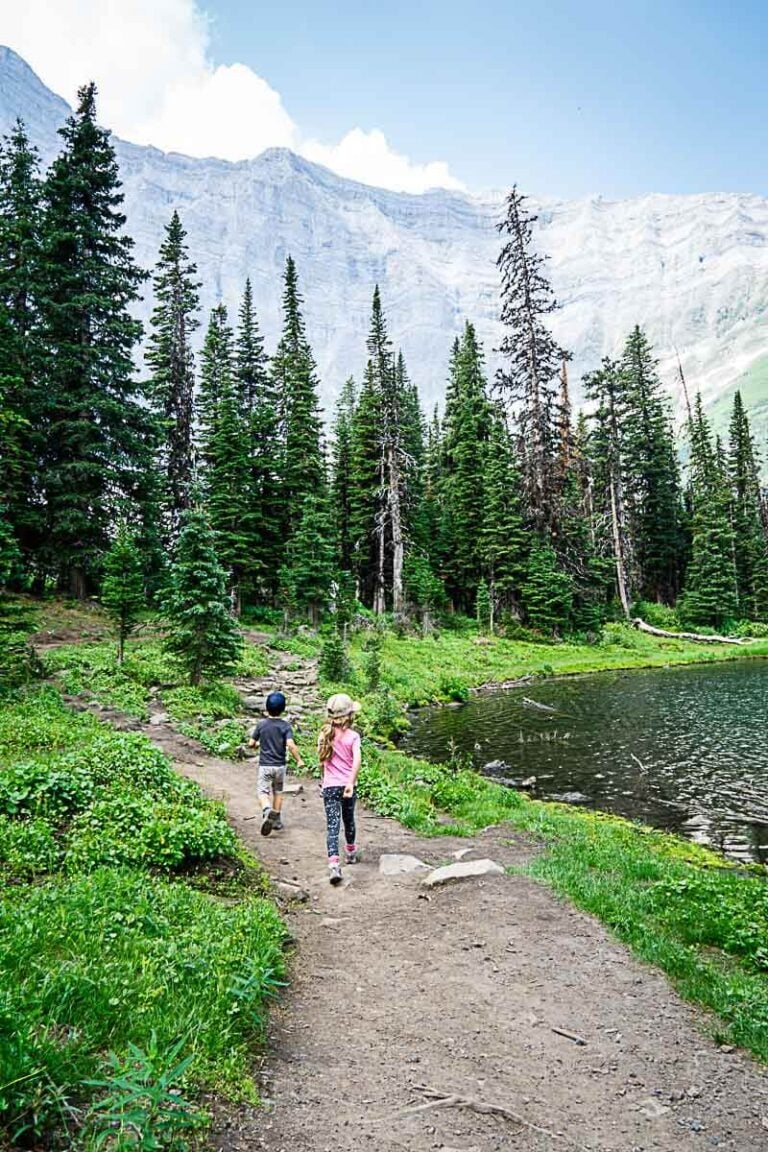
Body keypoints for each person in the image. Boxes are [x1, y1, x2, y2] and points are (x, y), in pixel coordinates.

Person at [317, 693, 362, 886]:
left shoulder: (324, 734)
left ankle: (334, 865)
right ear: (350, 715)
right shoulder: (353, 736)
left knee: (332, 826)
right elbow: (357, 760)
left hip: (330, 786)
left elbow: (321, 760)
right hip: (347, 785)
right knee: (348, 819)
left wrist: (323, 780)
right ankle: (350, 852)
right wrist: (351, 782)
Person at [248, 691, 305, 836]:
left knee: (262, 792)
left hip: (265, 766)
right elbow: (291, 745)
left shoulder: (261, 725)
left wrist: (256, 744)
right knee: (278, 791)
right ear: (283, 709)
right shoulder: (285, 726)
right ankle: (277, 820)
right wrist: (299, 760)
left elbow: (251, 743)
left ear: (266, 708)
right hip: (280, 767)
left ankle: (267, 810)